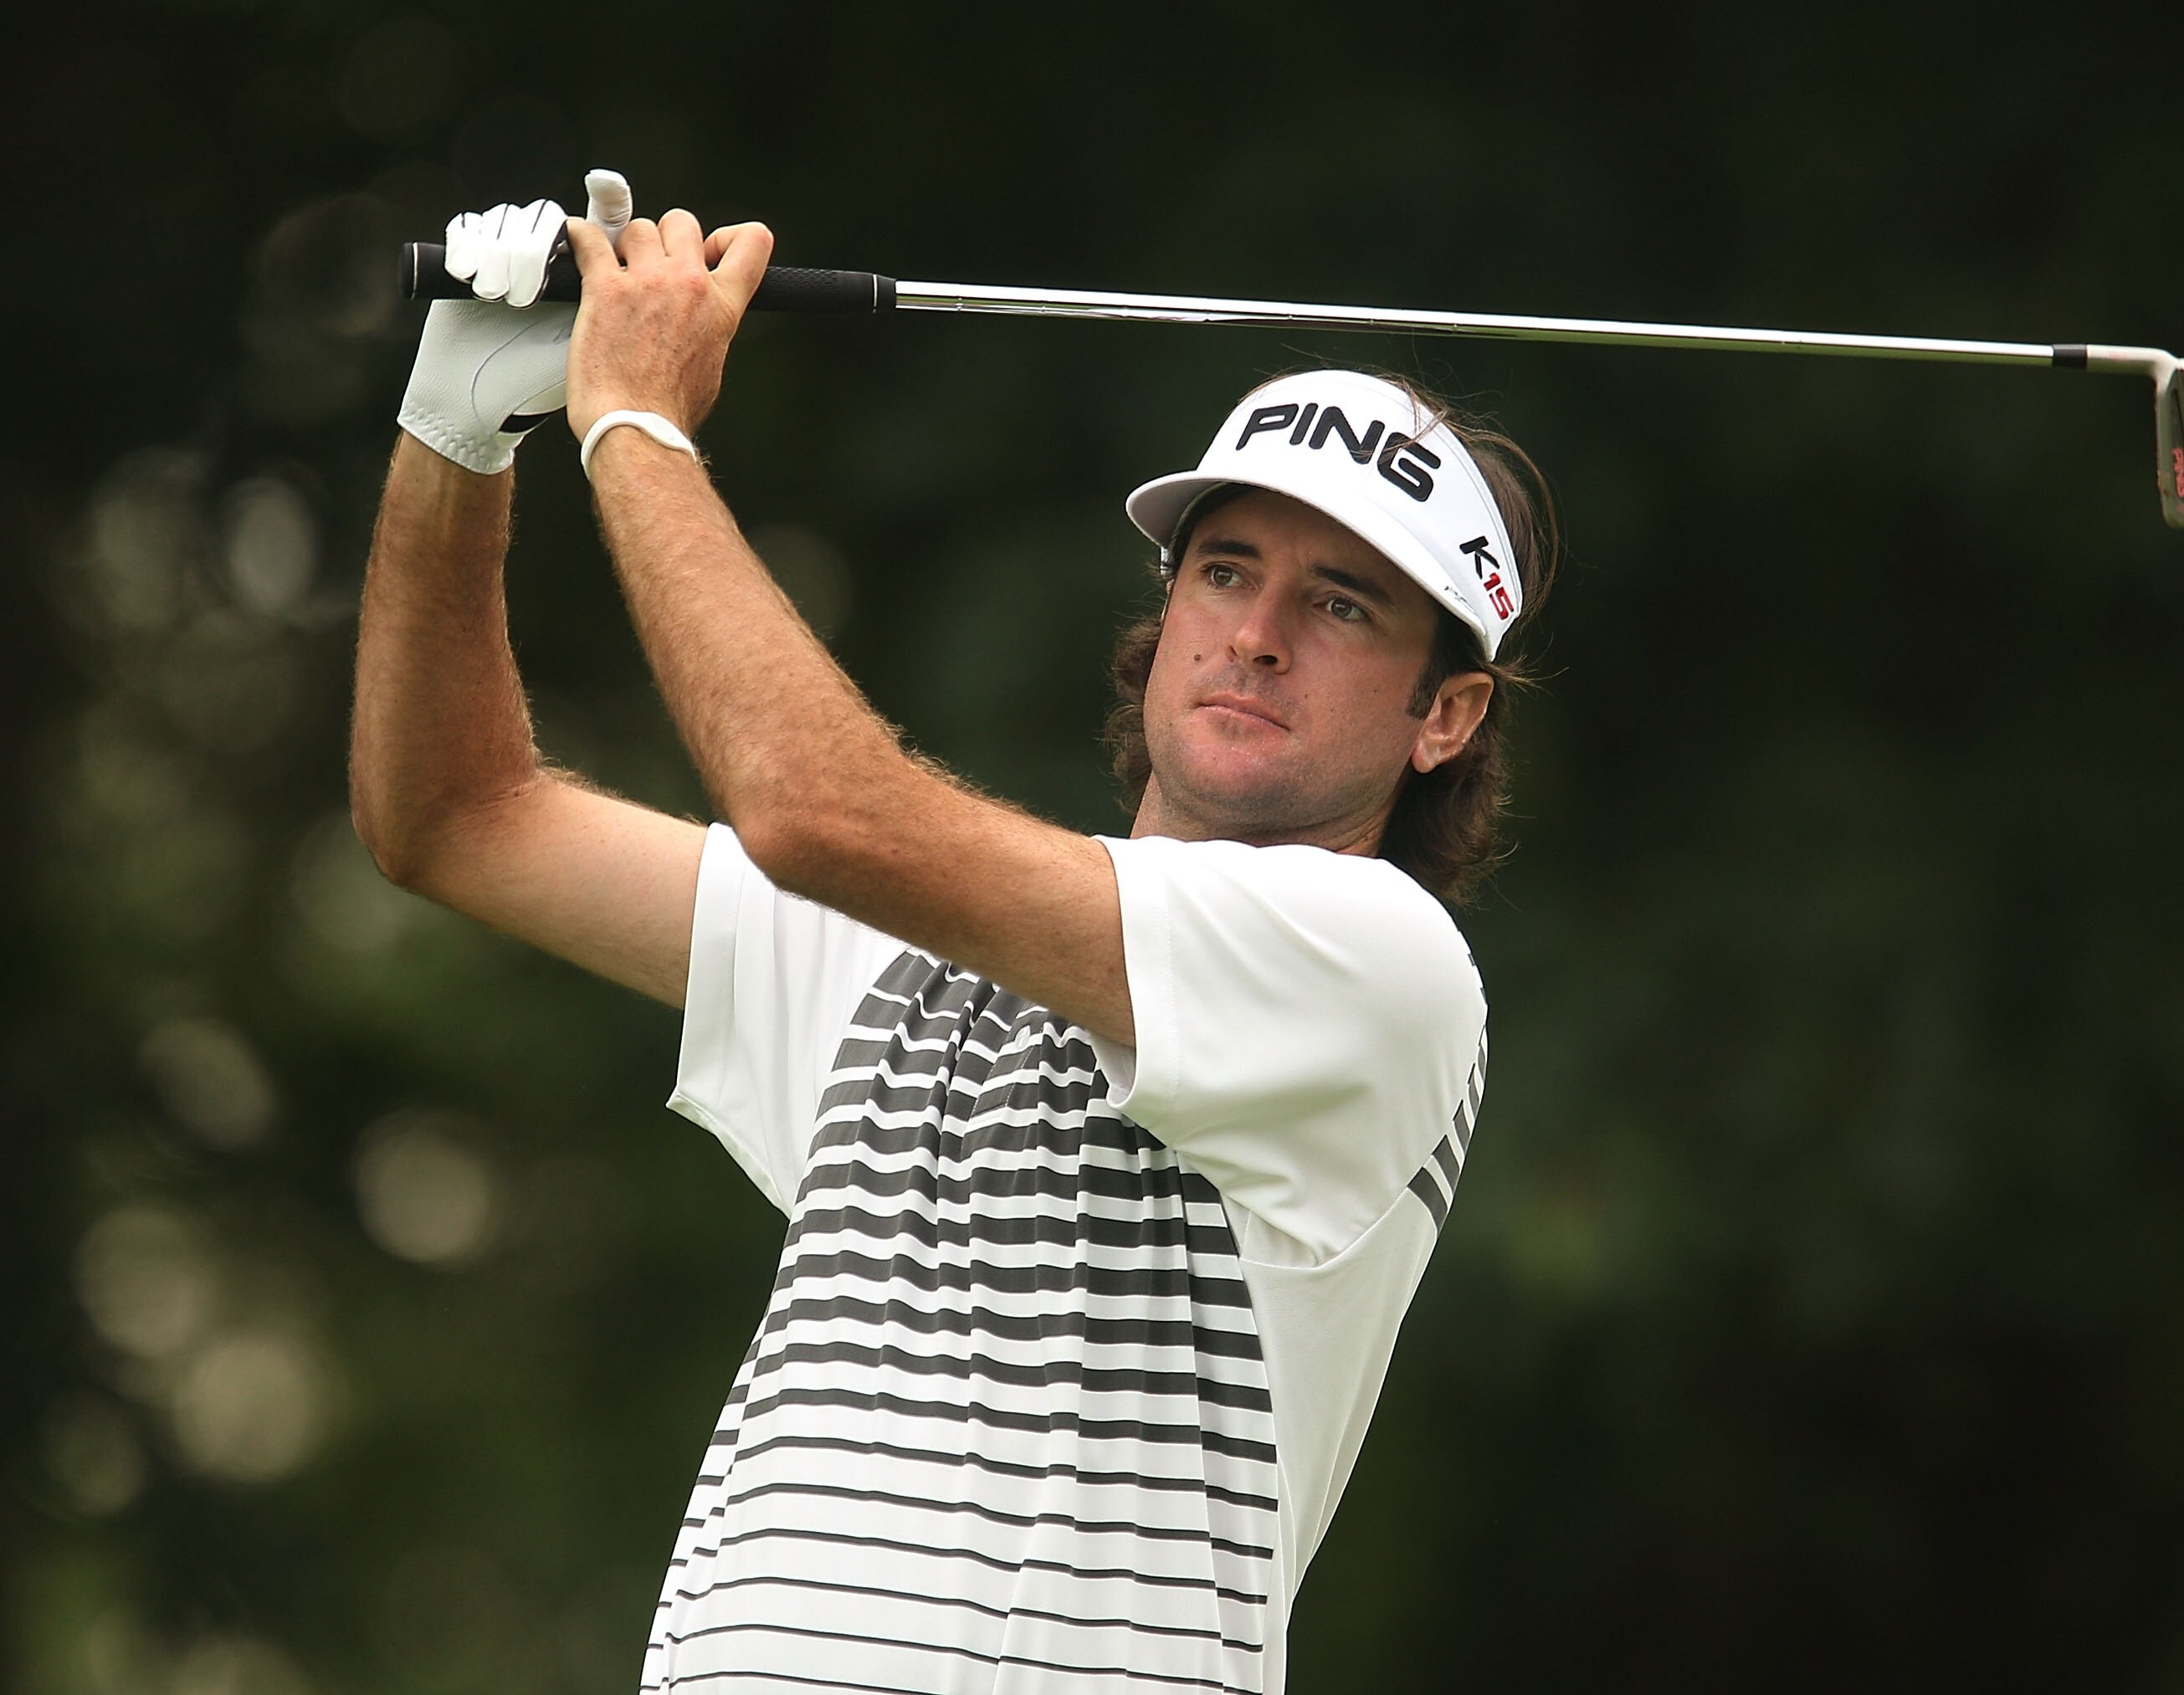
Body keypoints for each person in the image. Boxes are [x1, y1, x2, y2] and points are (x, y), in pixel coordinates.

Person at [353, 177, 1558, 1694]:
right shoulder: (891, 949)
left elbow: (813, 807)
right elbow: (454, 814)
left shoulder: (1378, 969)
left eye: (1343, 606)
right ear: (1169, 603)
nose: (1256, 632)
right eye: (1227, 569)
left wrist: (634, 421)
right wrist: (459, 438)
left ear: (1444, 715)